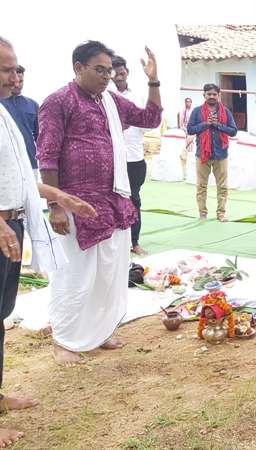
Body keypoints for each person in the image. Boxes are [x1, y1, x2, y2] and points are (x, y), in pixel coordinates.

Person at [37, 40, 163, 365]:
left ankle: (100, 330)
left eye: (109, 70)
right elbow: (47, 157)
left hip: (113, 203)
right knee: (76, 276)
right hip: (75, 205)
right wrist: (56, 206)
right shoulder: (58, 102)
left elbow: (150, 118)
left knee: (109, 273)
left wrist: (153, 80)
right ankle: (63, 340)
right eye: (99, 70)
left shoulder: (111, 101)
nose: (106, 76)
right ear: (78, 67)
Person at [0, 36, 99, 447]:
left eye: (15, 66)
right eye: (7, 68)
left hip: (15, 224)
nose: (15, 74)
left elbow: (20, 176)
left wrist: (58, 196)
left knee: (1, 316)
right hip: (2, 226)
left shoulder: (5, 114)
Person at [111, 55, 149, 256]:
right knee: (110, 201)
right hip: (110, 159)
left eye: (122, 69)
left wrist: (129, 122)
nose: (119, 73)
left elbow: (148, 123)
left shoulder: (138, 97)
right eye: (114, 70)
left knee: (134, 201)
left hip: (134, 158)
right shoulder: (104, 96)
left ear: (127, 72)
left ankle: (134, 242)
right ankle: (114, 243)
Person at [187, 83, 237, 222]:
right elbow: (190, 129)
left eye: (214, 94)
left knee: (222, 186)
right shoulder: (197, 111)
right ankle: (202, 213)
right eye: (209, 94)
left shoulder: (225, 112)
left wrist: (217, 125)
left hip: (221, 154)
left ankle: (221, 213)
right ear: (204, 95)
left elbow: (233, 131)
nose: (212, 96)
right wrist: (206, 124)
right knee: (201, 186)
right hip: (202, 154)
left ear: (219, 96)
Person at [0, 65, 38, 172]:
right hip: (5, 164)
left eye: (21, 81)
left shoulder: (33, 105)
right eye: (14, 80)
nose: (17, 84)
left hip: (31, 164)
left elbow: (40, 137)